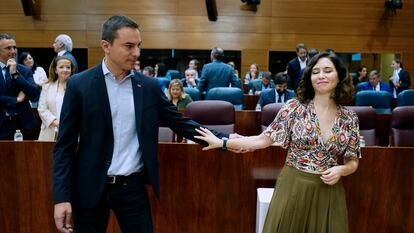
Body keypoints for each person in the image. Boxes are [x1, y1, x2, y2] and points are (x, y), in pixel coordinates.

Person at [52, 15, 232, 233]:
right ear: (105, 46)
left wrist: (225, 140)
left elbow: (180, 123)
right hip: (89, 186)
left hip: (132, 187)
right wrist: (61, 197)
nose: (136, 53)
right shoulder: (79, 85)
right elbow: (64, 146)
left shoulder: (148, 86)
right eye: (128, 46)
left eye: (138, 45)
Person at [195, 52, 361, 233]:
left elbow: (353, 160)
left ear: (340, 76)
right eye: (315, 71)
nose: (321, 76)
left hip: (329, 193)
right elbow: (261, 140)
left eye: (327, 71)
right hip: (294, 187)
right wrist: (222, 143)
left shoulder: (349, 118)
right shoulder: (294, 108)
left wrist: (341, 170)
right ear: (309, 77)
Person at [0, 33, 40, 140]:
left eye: (14, 47)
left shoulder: (24, 70)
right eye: (8, 48)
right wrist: (16, 99)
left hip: (23, 124)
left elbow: (35, 95)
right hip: (1, 124)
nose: (13, 51)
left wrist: (16, 74)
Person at [37, 56, 75, 141]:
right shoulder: (47, 86)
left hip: (71, 131)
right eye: (61, 67)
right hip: (50, 131)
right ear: (55, 70)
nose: (65, 70)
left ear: (71, 70)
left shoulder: (77, 86)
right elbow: (42, 109)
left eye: (68, 67)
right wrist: (57, 123)